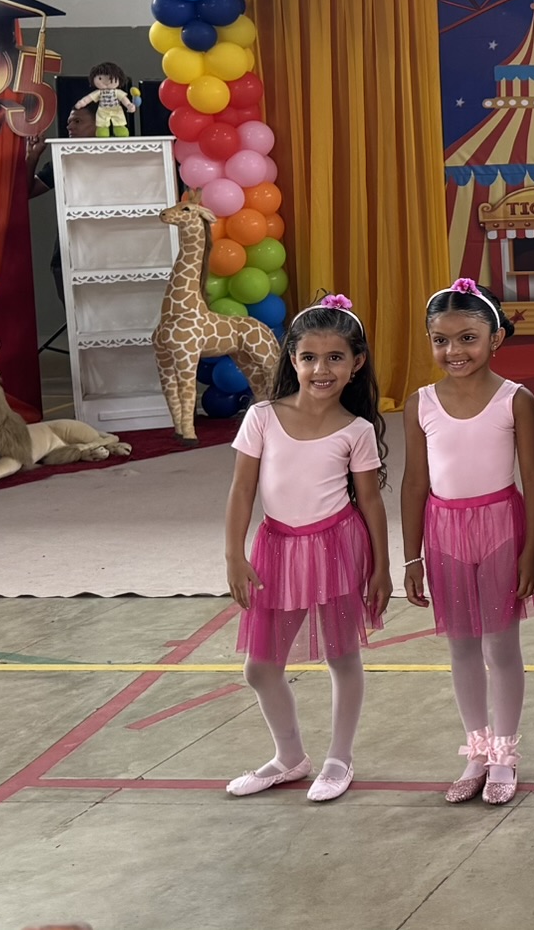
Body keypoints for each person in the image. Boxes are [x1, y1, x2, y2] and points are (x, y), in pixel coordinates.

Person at [221, 295, 390, 803]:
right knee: (260, 667)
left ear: (356, 363)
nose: (321, 369)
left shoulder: (356, 430)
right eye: (309, 357)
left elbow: (370, 501)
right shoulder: (262, 417)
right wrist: (234, 555)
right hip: (276, 549)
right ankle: (289, 757)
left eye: (335, 357)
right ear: (291, 359)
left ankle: (339, 758)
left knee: (343, 655)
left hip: (337, 547)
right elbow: (242, 490)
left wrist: (382, 567)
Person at [400, 278, 534, 806]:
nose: (453, 351)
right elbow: (415, 482)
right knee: (461, 645)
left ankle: (505, 752)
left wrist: (532, 551)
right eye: (441, 340)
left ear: (495, 339)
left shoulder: (515, 400)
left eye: (467, 338)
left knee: (501, 645)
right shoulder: (420, 403)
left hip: (501, 527)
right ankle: (477, 751)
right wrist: (412, 556)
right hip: (444, 533)